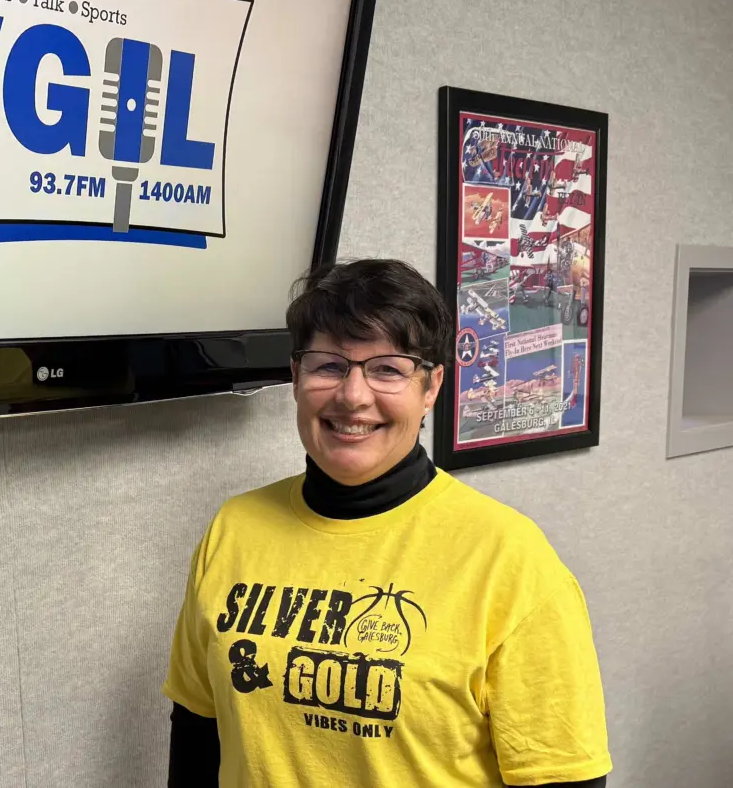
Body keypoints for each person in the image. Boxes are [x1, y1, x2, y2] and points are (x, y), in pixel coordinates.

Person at [162, 258, 611, 787]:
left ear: (432, 388)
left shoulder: (509, 558)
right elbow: (197, 730)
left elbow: (563, 778)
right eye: (328, 365)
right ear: (295, 377)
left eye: (388, 369)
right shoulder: (233, 528)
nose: (353, 396)